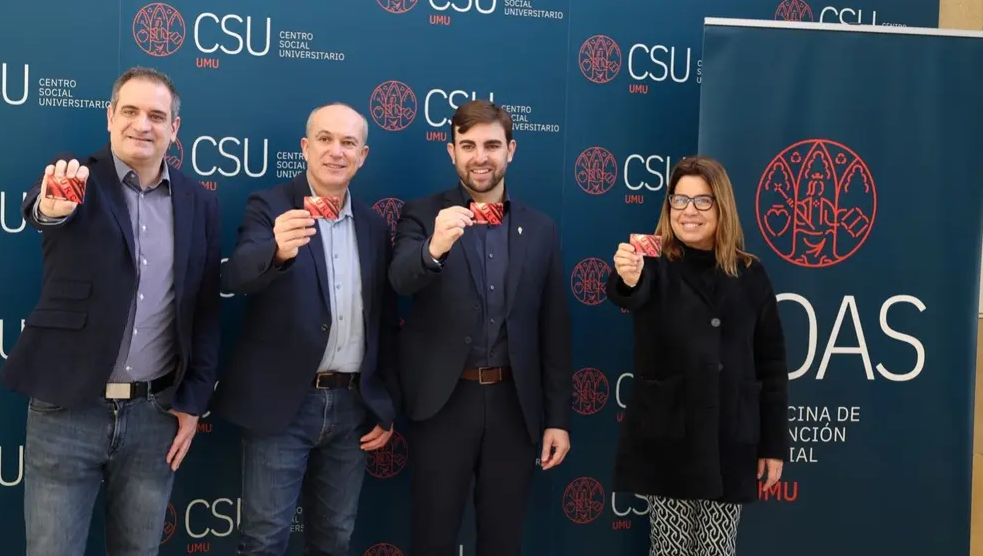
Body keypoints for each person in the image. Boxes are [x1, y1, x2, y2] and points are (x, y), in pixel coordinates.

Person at [0, 66, 222, 556]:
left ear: (174, 129)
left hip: (153, 417)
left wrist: (192, 402)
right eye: (131, 111)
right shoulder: (75, 177)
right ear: (110, 117)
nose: (143, 124)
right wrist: (51, 209)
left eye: (157, 116)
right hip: (67, 410)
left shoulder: (199, 204)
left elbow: (204, 310)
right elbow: (44, 208)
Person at [212, 102, 400, 556]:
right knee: (263, 539)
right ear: (305, 147)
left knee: (335, 539)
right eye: (325, 139)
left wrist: (384, 400)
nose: (336, 151)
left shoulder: (375, 226)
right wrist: (275, 251)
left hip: (352, 407)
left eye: (348, 143)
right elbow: (234, 276)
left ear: (363, 155)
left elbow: (385, 323)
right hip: (283, 405)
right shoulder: (269, 205)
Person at [388, 99, 573, 556]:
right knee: (432, 537)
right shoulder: (421, 213)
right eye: (467, 145)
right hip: (444, 403)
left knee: (503, 540)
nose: (480, 156)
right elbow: (400, 278)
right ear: (451, 153)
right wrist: (435, 246)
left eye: (492, 145)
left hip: (515, 406)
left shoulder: (542, 228)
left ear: (511, 150)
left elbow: (554, 328)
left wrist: (559, 421)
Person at [606, 156, 789, 556]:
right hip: (669, 437)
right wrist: (628, 276)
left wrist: (773, 444)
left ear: (721, 206)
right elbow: (627, 290)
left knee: (717, 551)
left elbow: (772, 365)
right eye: (680, 200)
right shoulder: (651, 263)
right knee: (670, 550)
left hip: (729, 437)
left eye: (702, 201)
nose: (689, 212)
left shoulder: (750, 273)